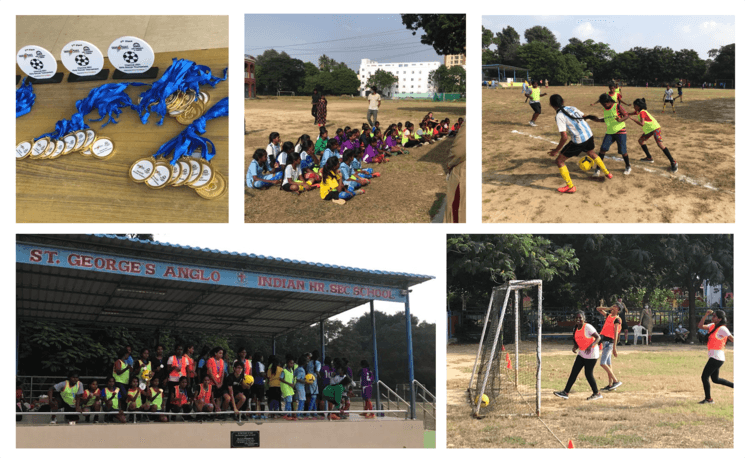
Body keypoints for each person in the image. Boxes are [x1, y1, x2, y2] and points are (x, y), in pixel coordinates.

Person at [547, 94, 612, 193]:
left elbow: (564, 137)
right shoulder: (571, 107)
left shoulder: (559, 115)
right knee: (592, 153)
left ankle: (570, 186)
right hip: (589, 134)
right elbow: (584, 117)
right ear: (563, 101)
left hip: (580, 139)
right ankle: (607, 173)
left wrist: (556, 150)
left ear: (551, 105)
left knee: (559, 161)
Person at [553, 312, 603, 401]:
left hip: (591, 354)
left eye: (580, 317)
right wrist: (575, 347)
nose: (578, 319)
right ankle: (565, 392)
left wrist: (591, 346)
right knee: (574, 372)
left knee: (588, 374)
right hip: (582, 353)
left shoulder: (587, 327)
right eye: (576, 318)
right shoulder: (576, 328)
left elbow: (598, 338)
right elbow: (577, 339)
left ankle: (597, 393)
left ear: (584, 318)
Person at [626, 98, 678, 172]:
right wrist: (626, 114)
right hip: (650, 129)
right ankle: (649, 158)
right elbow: (633, 113)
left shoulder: (642, 112)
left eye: (635, 106)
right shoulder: (639, 111)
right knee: (641, 141)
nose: (634, 107)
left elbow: (642, 123)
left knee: (660, 144)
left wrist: (632, 119)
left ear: (638, 106)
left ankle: (673, 162)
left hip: (655, 128)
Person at [588, 93, 632, 176]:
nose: (603, 105)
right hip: (610, 132)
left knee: (623, 151)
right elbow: (607, 119)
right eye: (602, 104)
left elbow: (626, 115)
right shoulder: (604, 108)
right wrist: (598, 120)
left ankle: (628, 166)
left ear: (609, 101)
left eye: (604, 103)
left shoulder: (617, 106)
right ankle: (598, 168)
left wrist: (620, 120)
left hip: (620, 131)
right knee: (603, 149)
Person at [697, 310, 734, 404]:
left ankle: (708, 399)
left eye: (714, 316)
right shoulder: (712, 326)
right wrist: (705, 315)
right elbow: (700, 326)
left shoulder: (723, 328)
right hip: (715, 357)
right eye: (713, 315)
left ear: (720, 319)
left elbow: (732, 339)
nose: (712, 317)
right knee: (715, 379)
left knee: (704, 376)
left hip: (717, 357)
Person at [596, 302, 623, 391]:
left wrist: (614, 348)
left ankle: (615, 381)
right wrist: (609, 308)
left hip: (609, 343)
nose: (612, 307)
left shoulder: (617, 319)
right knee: (608, 364)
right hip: (606, 342)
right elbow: (598, 309)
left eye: (615, 307)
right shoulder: (609, 315)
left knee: (602, 363)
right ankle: (611, 385)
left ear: (618, 310)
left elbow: (615, 334)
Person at [280, 355, 297, 420]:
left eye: (293, 363)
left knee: (289, 401)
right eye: (290, 363)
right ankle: (286, 414)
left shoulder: (292, 371)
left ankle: (288, 414)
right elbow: (281, 379)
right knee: (289, 401)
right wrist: (289, 383)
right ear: (287, 363)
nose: (292, 364)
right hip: (286, 387)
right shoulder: (284, 370)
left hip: (290, 388)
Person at [251, 352, 267, 419]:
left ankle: (253, 413)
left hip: (253, 383)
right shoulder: (260, 364)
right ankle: (262, 414)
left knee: (254, 398)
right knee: (261, 399)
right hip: (260, 383)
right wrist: (266, 375)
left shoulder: (252, 363)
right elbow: (262, 373)